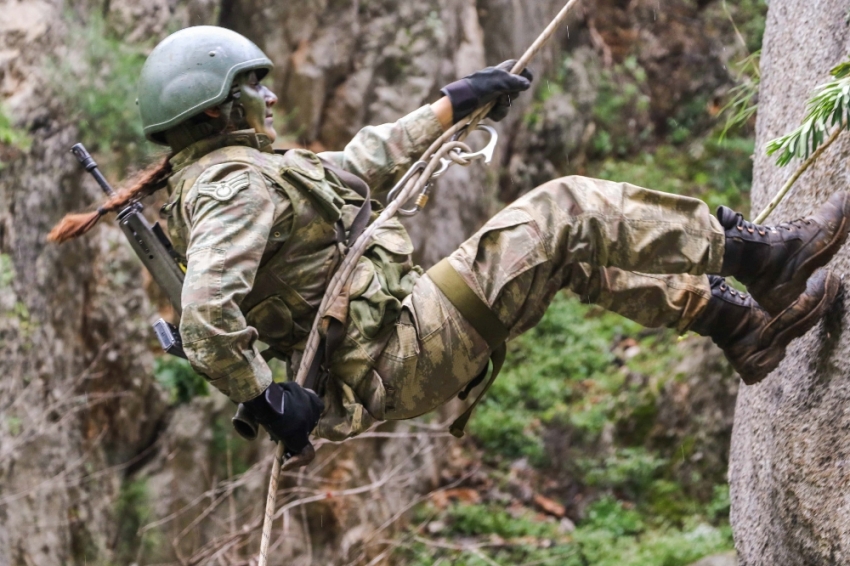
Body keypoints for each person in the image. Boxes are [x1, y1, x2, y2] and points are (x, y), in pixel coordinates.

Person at [50, 26, 849, 456]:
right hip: (387, 358)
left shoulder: (245, 169)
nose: (265, 96)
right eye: (249, 87)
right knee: (561, 208)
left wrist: (454, 104)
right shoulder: (231, 185)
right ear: (218, 112)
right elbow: (205, 315)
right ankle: (762, 258)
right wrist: (265, 395)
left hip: (390, 333)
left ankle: (738, 326)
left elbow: (358, 164)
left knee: (557, 256)